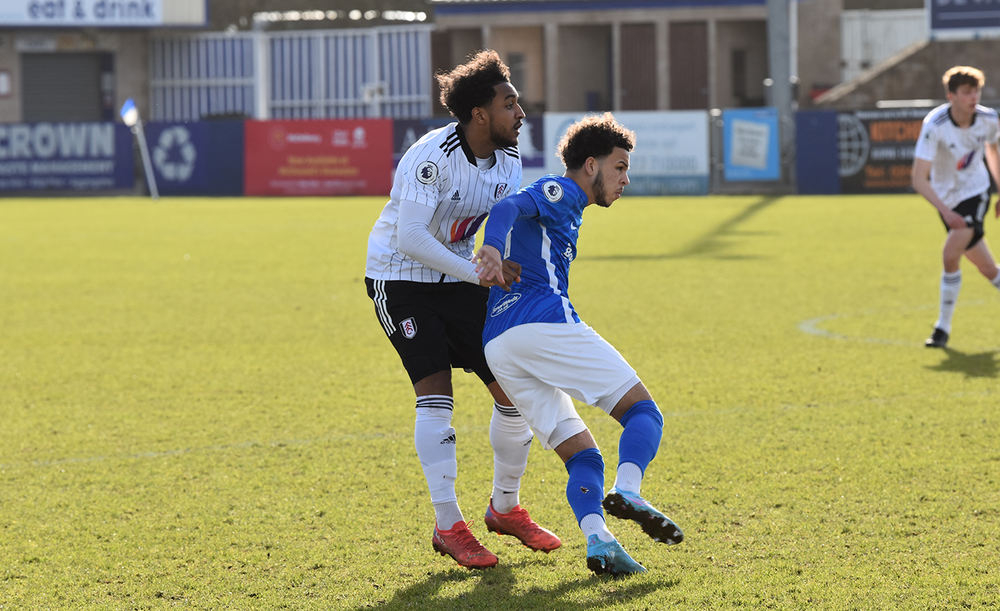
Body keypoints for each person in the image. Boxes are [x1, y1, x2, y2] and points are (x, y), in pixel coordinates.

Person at [364, 50, 560, 570]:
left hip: (458, 275)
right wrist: (477, 271)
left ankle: (504, 507)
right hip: (400, 279)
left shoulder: (510, 158)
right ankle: (449, 525)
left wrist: (513, 265)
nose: (520, 112)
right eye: (509, 103)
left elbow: (501, 226)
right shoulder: (433, 155)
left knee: (515, 390)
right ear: (479, 114)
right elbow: (408, 238)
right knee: (436, 398)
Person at [474, 113, 684, 577]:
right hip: (542, 323)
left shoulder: (569, 206)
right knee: (643, 413)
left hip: (500, 344)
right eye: (620, 167)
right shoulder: (563, 190)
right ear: (591, 165)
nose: (626, 179)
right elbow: (508, 208)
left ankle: (600, 540)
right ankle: (628, 489)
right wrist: (491, 247)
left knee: (582, 454)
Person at [912, 65, 1000, 349]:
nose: (973, 98)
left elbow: (993, 149)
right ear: (951, 96)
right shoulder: (934, 125)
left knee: (950, 255)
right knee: (988, 269)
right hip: (946, 200)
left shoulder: (988, 119)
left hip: (976, 191)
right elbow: (918, 178)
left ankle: (942, 329)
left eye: (976, 91)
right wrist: (945, 211)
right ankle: (943, 329)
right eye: (966, 92)